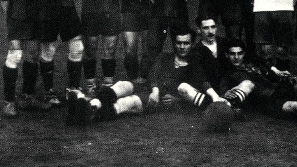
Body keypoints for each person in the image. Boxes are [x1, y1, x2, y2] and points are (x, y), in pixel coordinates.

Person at [66, 26, 225, 125]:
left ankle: (90, 108)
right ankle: (86, 107)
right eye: (179, 43)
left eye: (186, 43)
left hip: (155, 101)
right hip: (150, 90)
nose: (182, 47)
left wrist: (177, 100)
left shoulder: (194, 64)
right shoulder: (165, 57)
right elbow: (153, 73)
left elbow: (203, 85)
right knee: (123, 85)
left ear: (191, 44)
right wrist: (155, 89)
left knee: (127, 102)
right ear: (174, 43)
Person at [192, 16, 256, 109]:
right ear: (198, 30)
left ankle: (228, 106)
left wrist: (228, 89)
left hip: (230, 84)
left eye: (213, 27)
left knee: (248, 83)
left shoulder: (224, 42)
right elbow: (201, 77)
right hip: (210, 89)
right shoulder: (196, 51)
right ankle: (228, 107)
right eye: (206, 28)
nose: (210, 31)